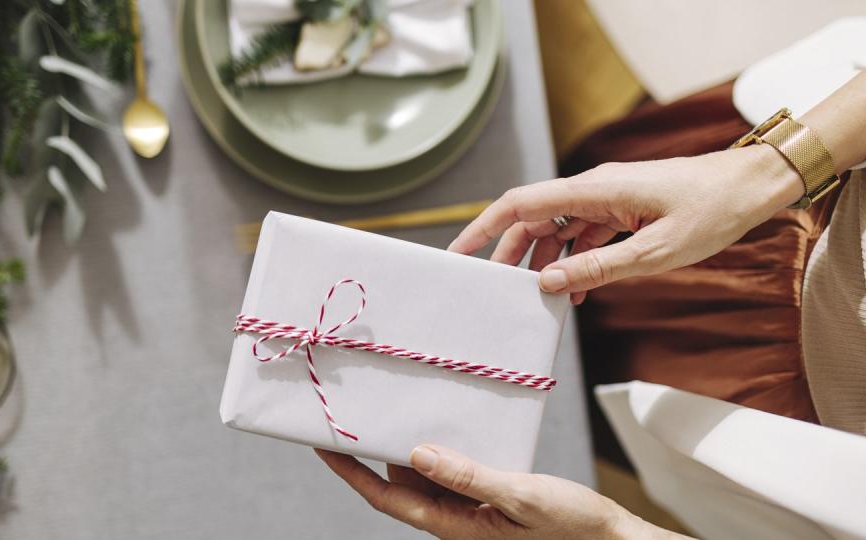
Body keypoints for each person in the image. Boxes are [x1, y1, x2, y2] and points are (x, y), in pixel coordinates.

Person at [315, 68, 866, 538]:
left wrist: (614, 531)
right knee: (582, 201)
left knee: (593, 407)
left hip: (783, 410)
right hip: (797, 174)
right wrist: (768, 168)